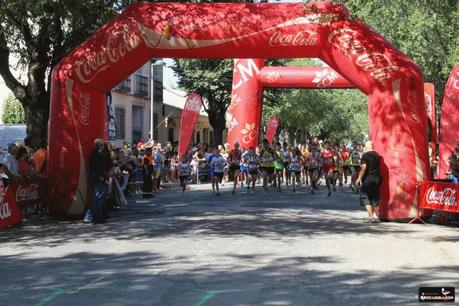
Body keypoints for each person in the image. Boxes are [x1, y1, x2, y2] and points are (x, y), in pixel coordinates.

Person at [84, 139, 113, 223]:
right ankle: (91, 215)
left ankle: (99, 215)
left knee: (100, 197)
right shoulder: (99, 154)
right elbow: (105, 164)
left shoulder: (95, 154)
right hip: (100, 177)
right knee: (99, 197)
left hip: (98, 177)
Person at [356, 141, 381, 223]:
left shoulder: (365, 155)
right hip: (376, 179)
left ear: (367, 147)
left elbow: (364, 168)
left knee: (365, 197)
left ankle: (370, 217)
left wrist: (359, 178)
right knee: (373, 198)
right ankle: (371, 216)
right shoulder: (378, 155)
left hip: (368, 179)